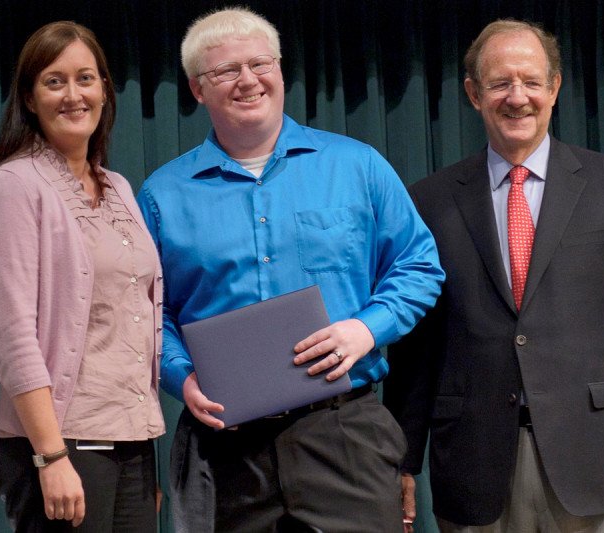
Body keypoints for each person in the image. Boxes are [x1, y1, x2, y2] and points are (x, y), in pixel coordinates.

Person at [136, 7, 444, 532]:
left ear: (280, 70)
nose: (248, 80)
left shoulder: (357, 165)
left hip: (344, 431)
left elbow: (419, 266)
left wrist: (365, 329)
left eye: (260, 64)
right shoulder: (162, 195)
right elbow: (145, 312)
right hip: (225, 447)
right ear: (197, 89)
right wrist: (179, 376)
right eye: (226, 71)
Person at [383, 19, 604, 533]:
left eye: (532, 81)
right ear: (475, 94)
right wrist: (402, 461)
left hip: (596, 461)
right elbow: (416, 349)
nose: (517, 97)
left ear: (555, 89)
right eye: (500, 83)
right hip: (474, 467)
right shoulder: (429, 200)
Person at [0, 21, 164, 532]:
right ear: (30, 99)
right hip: (64, 444)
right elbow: (14, 338)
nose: (74, 94)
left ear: (105, 88)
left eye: (86, 78)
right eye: (54, 81)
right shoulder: (15, 185)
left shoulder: (119, 186)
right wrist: (50, 457)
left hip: (132, 439)